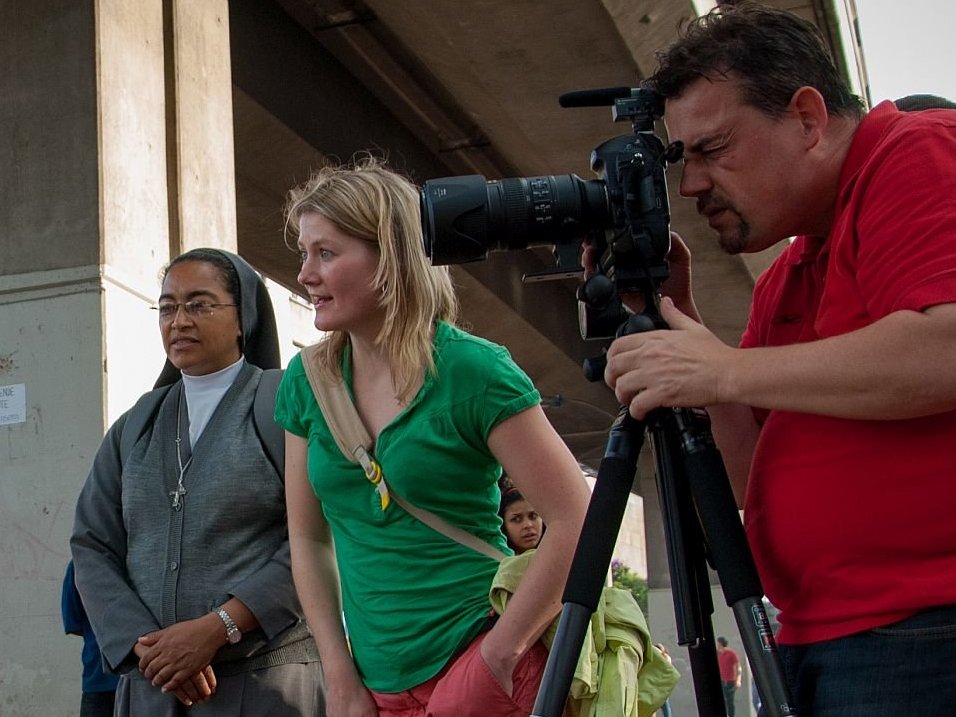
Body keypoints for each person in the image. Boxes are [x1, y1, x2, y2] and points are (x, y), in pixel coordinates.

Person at [601, 3, 956, 715]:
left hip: (921, 630)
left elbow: (946, 348)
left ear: (807, 118)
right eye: (684, 158)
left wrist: (723, 369)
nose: (691, 184)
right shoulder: (791, 270)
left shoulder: (919, 149)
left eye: (713, 148)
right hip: (820, 635)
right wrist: (682, 322)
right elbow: (745, 471)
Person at [276, 157, 590, 717]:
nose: (305, 274)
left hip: (481, 664)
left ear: (391, 256)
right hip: (375, 689)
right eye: (305, 253)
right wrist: (339, 674)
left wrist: (499, 657)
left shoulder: (475, 371)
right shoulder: (307, 380)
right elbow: (308, 538)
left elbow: (578, 519)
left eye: (325, 253)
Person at [71, 248, 325, 715]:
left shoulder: (284, 407)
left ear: (242, 318)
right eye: (167, 307)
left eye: (199, 304)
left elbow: (319, 534)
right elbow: (92, 544)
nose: (179, 320)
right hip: (153, 689)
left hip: (266, 684)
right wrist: (146, 646)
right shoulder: (134, 426)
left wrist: (219, 626)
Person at [61, 560, 119, 717]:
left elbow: (74, 623)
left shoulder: (79, 563)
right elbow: (74, 622)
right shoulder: (79, 563)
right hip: (101, 680)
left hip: (100, 675)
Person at [498, 475, 545, 554]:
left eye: (533, 516)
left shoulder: (561, 554)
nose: (528, 525)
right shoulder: (494, 559)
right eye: (516, 519)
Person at [716, 637, 740, 717]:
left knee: (730, 701)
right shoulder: (718, 654)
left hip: (729, 680)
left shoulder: (731, 653)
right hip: (721, 680)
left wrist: (738, 680)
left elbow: (738, 667)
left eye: (719, 644)